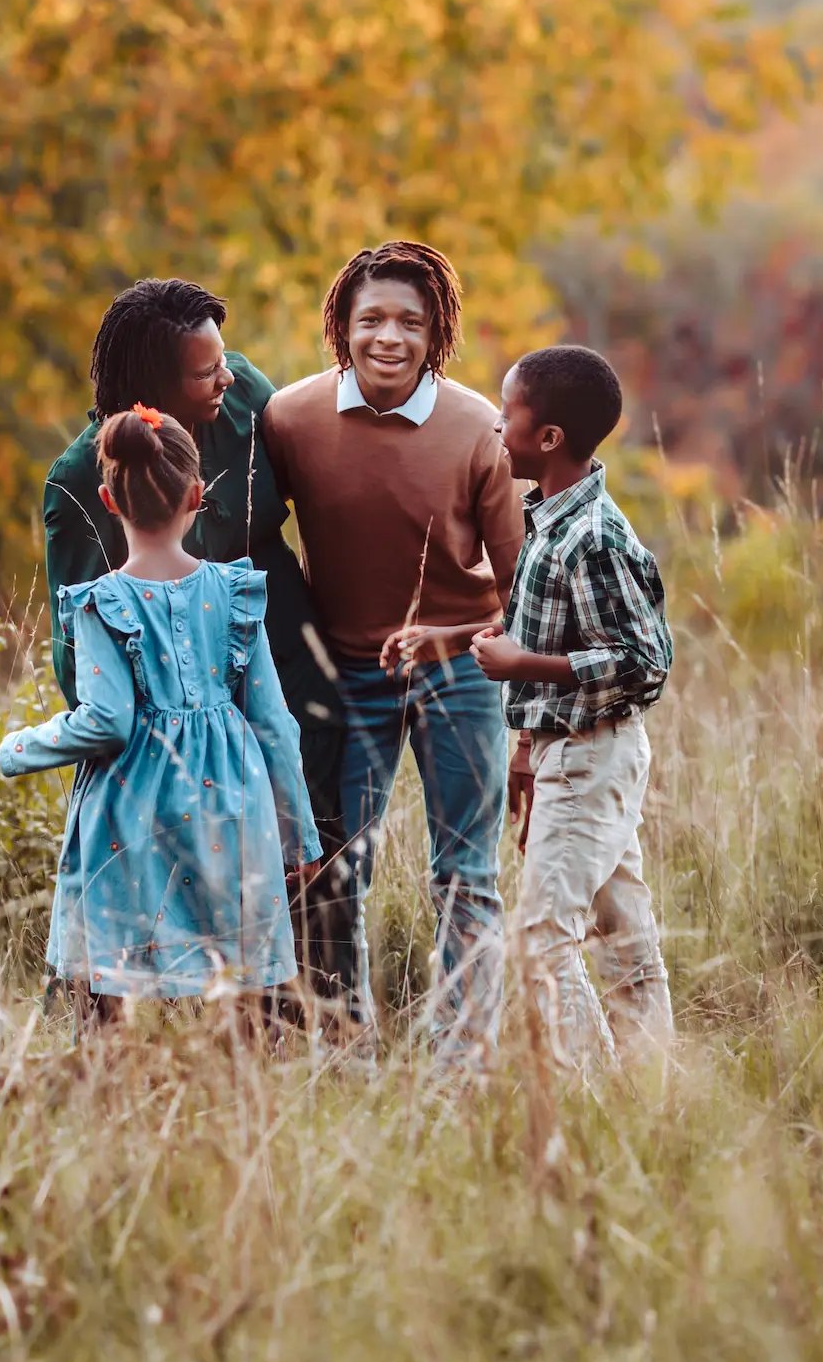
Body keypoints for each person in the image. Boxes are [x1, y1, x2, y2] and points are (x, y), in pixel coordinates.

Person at [43, 277, 351, 1003]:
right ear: (154, 385)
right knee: (167, 852)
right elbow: (82, 642)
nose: (225, 374)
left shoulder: (244, 399)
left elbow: (318, 495)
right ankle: (129, 1007)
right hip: (167, 697)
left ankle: (314, 1009)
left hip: (277, 648)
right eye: (203, 369)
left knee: (309, 826)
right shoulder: (84, 478)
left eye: (223, 359)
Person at [263, 241, 527, 1062]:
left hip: (461, 671)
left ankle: (463, 1058)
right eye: (370, 318)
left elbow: (522, 586)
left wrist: (511, 701)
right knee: (337, 872)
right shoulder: (289, 419)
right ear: (340, 326)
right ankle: (345, 1048)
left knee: (464, 874)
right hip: (345, 675)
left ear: (437, 332)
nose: (389, 337)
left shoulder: (480, 428)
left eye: (410, 323)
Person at [393, 344, 674, 1067]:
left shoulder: (594, 536)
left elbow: (644, 663)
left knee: (541, 943)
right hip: (561, 751)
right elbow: (533, 627)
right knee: (621, 936)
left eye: (506, 412)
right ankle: (653, 1095)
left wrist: (525, 666)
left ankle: (587, 1099)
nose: (494, 425)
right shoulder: (546, 518)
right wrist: (449, 640)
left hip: (593, 757)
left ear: (546, 438)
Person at [2, 404, 321, 1008]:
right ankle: (244, 1091)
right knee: (237, 972)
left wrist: (19, 748)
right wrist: (298, 837)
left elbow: (106, 720)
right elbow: (276, 725)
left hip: (132, 811)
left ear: (108, 499)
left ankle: (110, 1086)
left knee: (113, 974)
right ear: (197, 495)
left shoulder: (101, 603)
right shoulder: (236, 594)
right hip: (234, 806)